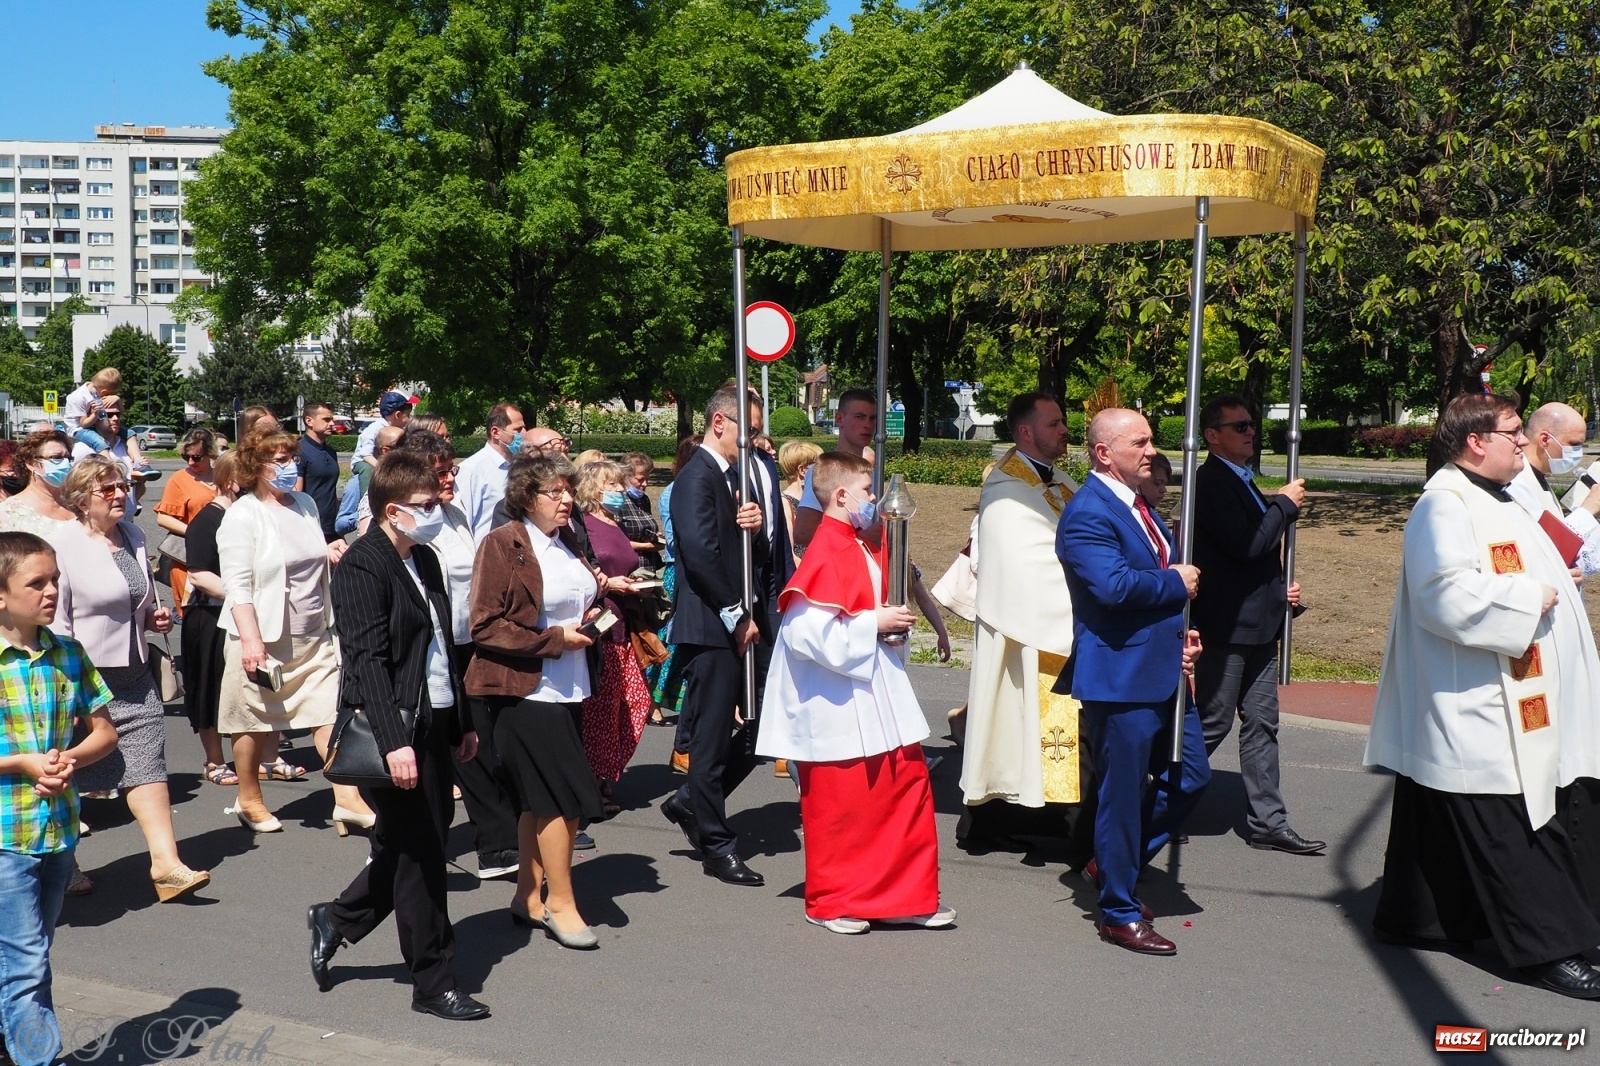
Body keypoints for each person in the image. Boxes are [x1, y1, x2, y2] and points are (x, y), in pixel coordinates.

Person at [1366, 394, 1600, 999]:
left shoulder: (1495, 495)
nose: (1523, 441)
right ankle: (1549, 948)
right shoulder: (1443, 506)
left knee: (1437, 815)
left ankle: (1420, 917)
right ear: (1476, 441)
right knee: (1513, 824)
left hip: (1507, 686)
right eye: (1512, 432)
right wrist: (1531, 599)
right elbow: (1445, 594)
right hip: (1482, 700)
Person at [309, 451, 488, 1019]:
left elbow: (439, 647)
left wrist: (459, 723)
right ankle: (433, 981)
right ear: (393, 509)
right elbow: (367, 662)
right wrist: (394, 742)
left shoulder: (425, 557)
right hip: (395, 727)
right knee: (422, 857)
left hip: (434, 720)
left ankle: (338, 917)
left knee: (416, 840)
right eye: (427, 505)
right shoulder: (364, 564)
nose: (438, 510)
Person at [756, 452, 952, 933]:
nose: (876, 500)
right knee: (843, 809)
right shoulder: (827, 550)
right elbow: (804, 633)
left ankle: (905, 897)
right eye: (868, 490)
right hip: (837, 704)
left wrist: (890, 629)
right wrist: (873, 623)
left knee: (903, 792)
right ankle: (832, 902)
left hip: (877, 692)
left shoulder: (862, 545)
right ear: (840, 496)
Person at [1056, 408, 1209, 956]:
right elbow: (1114, 588)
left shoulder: (1137, 504)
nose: (1152, 450)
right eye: (1139, 442)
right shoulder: (1088, 513)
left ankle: (1111, 860)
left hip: (1161, 669)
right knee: (1121, 797)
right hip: (1120, 678)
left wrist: (1180, 637)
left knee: (1192, 777)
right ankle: (1118, 911)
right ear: (1104, 453)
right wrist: (1175, 583)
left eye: (1151, 440)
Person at [464, 455, 604, 950]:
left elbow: (570, 600)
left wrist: (598, 606)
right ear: (526, 497)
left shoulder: (568, 541)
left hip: (571, 686)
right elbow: (484, 624)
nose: (567, 500)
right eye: (555, 492)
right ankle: (561, 905)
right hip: (526, 692)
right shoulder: (503, 544)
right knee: (562, 803)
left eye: (569, 490)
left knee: (537, 801)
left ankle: (527, 895)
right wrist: (553, 640)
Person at [56, 456, 210, 902]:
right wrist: (72, 680)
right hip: (82, 675)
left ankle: (167, 865)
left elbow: (133, 599)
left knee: (148, 763)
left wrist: (151, 619)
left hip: (134, 669)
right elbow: (57, 619)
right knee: (67, 769)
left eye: (122, 485)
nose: (122, 493)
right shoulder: (62, 544)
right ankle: (63, 862)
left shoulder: (135, 535)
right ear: (82, 498)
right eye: (109, 489)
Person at [0, 531, 117, 1066]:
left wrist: (70, 758)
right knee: (26, 962)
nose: (51, 592)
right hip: (5, 835)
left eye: (56, 581)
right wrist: (21, 764)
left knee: (30, 951)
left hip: (57, 829)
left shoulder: (67, 653)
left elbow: (103, 733)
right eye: (36, 583)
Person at [217, 429, 371, 833]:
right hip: (262, 637)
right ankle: (249, 797)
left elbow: (306, 548)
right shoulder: (242, 515)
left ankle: (346, 798)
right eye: (278, 461)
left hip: (314, 631)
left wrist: (328, 550)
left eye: (291, 458)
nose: (289, 467)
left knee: (328, 714)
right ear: (256, 467)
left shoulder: (303, 504)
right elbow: (238, 585)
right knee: (252, 720)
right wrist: (251, 642)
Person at [1191, 396, 1322, 855]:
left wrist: (1278, 592)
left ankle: (1269, 821)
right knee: (1211, 722)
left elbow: (1256, 560)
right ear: (1212, 435)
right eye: (1240, 426)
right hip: (1228, 629)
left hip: (1259, 626)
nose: (1250, 432)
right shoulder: (1209, 482)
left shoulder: (1240, 479)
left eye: (1251, 425)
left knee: (1262, 723)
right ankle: (1152, 804)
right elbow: (1248, 545)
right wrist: (1284, 507)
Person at [659, 385, 776, 886]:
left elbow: (734, 547)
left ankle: (692, 803)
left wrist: (749, 525)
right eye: (747, 432)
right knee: (708, 739)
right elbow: (702, 555)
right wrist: (735, 614)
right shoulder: (696, 477)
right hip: (713, 627)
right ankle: (715, 844)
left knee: (762, 726)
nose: (752, 444)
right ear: (720, 423)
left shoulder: (729, 478)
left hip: (740, 622)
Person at [961, 392, 1083, 849]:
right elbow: (1030, 566)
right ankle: (1007, 820)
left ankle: (1058, 819)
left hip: (1051, 628)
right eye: (1054, 424)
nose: (1065, 430)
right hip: (1024, 632)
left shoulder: (1061, 480)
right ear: (1026, 433)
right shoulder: (1006, 491)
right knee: (1018, 723)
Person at [401, 431, 521, 881]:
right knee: (444, 746)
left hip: (469, 641)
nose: (450, 477)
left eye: (451, 469)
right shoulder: (409, 523)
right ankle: (484, 842)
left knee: (475, 741)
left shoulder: (455, 514)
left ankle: (495, 841)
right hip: (430, 649)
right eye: (441, 471)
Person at [573, 460, 652, 807]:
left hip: (624, 625)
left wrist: (631, 582)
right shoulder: (584, 525)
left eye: (621, 484)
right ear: (594, 489)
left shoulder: (614, 522)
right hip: (602, 628)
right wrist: (609, 585)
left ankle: (603, 772)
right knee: (603, 710)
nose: (621, 491)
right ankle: (593, 782)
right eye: (613, 485)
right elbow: (585, 569)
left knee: (636, 703)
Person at [182, 452, 243, 787]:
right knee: (210, 688)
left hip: (241, 615)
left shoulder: (251, 517)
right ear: (230, 479)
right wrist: (242, 599)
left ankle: (262, 756)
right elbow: (199, 575)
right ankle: (214, 759)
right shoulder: (208, 520)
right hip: (210, 616)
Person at [1508, 401, 1600, 576]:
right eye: (1574, 444)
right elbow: (1543, 549)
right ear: (1544, 439)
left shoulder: (1539, 476)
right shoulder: (1515, 483)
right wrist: (1588, 510)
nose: (1578, 452)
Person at [649, 435, 701, 733]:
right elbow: (677, 538)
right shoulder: (674, 490)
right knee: (670, 638)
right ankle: (652, 698)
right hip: (678, 568)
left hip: (688, 567)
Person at [154, 428, 219, 616]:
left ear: (210, 454)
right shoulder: (179, 479)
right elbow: (163, 518)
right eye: (185, 457)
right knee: (194, 618)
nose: (191, 462)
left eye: (196, 457)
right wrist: (195, 531)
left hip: (221, 556)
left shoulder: (223, 476)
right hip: (189, 558)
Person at [69, 397, 158, 512]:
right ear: (95, 418)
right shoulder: (83, 449)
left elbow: (133, 497)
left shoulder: (126, 446)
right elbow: (72, 491)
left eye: (118, 414)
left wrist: (139, 482)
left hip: (125, 521)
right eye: (109, 415)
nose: (115, 418)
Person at [454, 403, 525, 540]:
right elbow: (463, 521)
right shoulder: (472, 469)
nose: (524, 433)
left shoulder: (519, 465)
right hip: (487, 553)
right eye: (518, 429)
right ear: (496, 432)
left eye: (524, 428)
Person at [0, 430, 77, 539]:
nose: (65, 463)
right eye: (56, 457)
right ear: (31, 464)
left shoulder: (79, 504)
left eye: (68, 457)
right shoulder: (8, 513)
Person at [350, 392, 415, 497]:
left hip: (380, 461)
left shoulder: (399, 429)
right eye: (408, 415)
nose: (409, 419)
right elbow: (366, 454)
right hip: (363, 462)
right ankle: (367, 500)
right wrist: (382, 468)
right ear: (398, 415)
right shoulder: (375, 428)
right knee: (367, 471)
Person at [296, 402, 342, 541]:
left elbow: (331, 490)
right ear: (309, 421)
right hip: (309, 527)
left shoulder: (330, 452)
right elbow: (296, 493)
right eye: (326, 420)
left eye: (332, 419)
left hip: (331, 528)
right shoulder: (299, 451)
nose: (332, 424)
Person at [353, 426, 408, 535]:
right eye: (402, 445)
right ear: (385, 450)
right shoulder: (360, 483)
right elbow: (366, 535)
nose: (409, 450)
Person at [777, 440, 821, 566]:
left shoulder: (815, 500)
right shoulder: (785, 502)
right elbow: (790, 554)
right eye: (817, 466)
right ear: (803, 470)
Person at [616, 452, 663, 565]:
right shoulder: (618, 501)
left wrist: (654, 536)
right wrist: (645, 546)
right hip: (630, 567)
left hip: (649, 564)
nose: (645, 484)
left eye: (647, 479)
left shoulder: (644, 499)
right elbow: (615, 540)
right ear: (626, 477)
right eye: (640, 479)